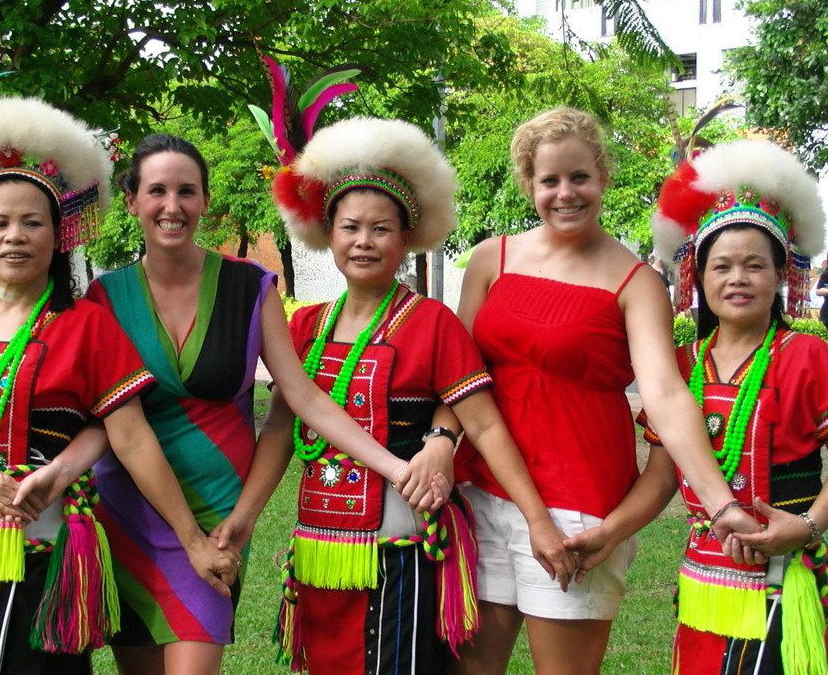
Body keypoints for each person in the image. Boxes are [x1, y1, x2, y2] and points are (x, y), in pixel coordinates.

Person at [221, 111, 582, 675]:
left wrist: (537, 520)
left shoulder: (431, 322)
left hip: (402, 550)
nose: (364, 242)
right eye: (350, 227)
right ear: (327, 233)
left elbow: (484, 425)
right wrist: (245, 517)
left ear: (407, 239)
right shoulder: (306, 326)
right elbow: (282, 430)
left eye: (381, 229)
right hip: (318, 548)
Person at [85, 132, 448, 675]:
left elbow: (302, 397)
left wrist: (395, 467)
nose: (172, 206)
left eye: (187, 191)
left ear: (206, 200)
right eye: (156, 190)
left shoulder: (250, 286)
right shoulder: (104, 298)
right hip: (131, 509)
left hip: (219, 518)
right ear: (132, 200)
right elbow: (115, 424)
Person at [0, 92, 237, 675]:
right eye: (0, 223)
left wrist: (191, 538)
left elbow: (129, 436)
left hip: (43, 557)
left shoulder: (85, 325)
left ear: (60, 234)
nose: (16, 236)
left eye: (33, 222)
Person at [452, 107, 763, 675]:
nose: (565, 193)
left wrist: (721, 505)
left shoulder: (634, 282)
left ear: (603, 178)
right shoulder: (489, 260)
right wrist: (434, 446)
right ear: (529, 184)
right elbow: (455, 377)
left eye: (579, 177)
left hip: (577, 507)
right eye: (549, 180)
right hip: (481, 491)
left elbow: (666, 396)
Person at [645, 138, 828, 674]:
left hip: (785, 572)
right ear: (697, 278)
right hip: (703, 578)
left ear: (782, 275)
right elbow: (660, 479)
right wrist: (607, 533)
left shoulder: (809, 356)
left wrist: (810, 525)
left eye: (755, 265)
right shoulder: (681, 367)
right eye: (721, 266)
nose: (738, 279)